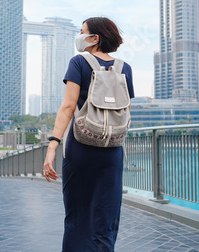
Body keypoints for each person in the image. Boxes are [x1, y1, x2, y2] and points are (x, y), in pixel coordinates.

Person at [43, 17, 134, 251]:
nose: (79, 36)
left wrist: (53, 145)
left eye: (82, 32)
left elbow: (67, 107)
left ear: (94, 38)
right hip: (112, 151)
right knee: (106, 218)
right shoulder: (125, 68)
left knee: (77, 216)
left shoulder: (78, 63)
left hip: (80, 148)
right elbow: (125, 113)